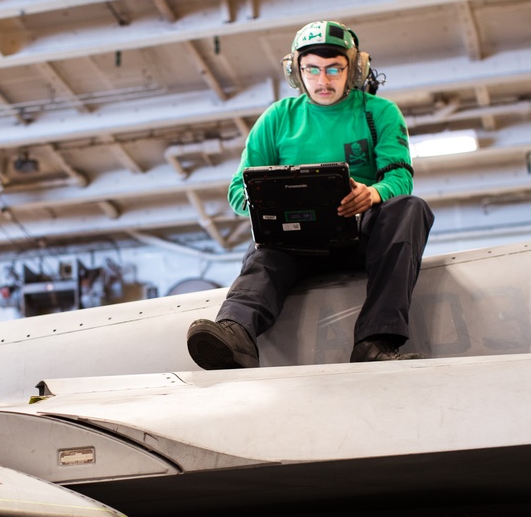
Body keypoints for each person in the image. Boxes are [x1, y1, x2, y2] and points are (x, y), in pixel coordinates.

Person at [186, 20, 434, 370]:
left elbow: (400, 176)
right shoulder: (276, 119)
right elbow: (237, 191)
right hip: (294, 243)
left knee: (410, 208)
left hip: (362, 234)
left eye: (334, 69)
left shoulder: (380, 113)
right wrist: (271, 204)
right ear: (295, 71)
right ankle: (236, 333)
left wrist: (374, 194)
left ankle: (376, 341)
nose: (323, 80)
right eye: (312, 70)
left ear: (355, 68)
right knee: (263, 252)